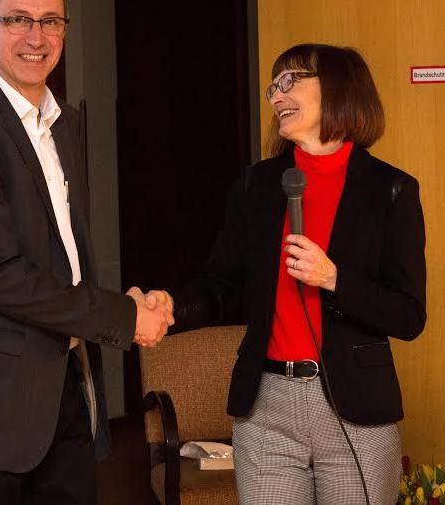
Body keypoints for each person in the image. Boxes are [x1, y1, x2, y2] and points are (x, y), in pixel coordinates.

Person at [0, 0, 171, 504]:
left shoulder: (62, 122)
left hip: (64, 392)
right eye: (18, 20)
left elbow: (61, 259)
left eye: (51, 20)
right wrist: (123, 319)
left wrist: (123, 303)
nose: (37, 36)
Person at [154, 43, 426, 504]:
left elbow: (408, 316)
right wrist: (171, 307)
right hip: (266, 408)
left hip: (353, 407)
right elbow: (222, 285)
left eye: (291, 80)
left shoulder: (390, 189)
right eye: (273, 86)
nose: (277, 95)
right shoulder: (256, 185)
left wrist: (334, 279)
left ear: (340, 89)